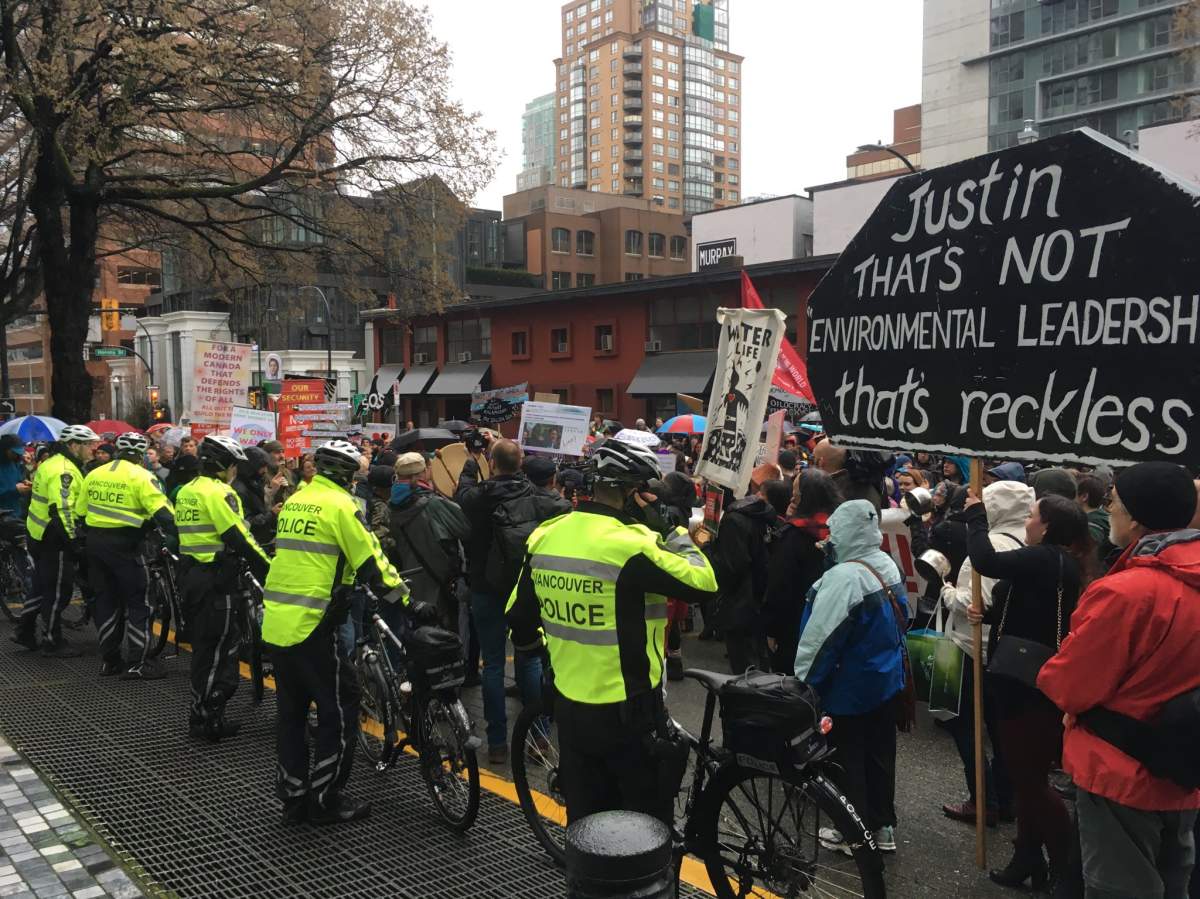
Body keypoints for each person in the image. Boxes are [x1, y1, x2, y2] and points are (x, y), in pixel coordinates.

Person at [505, 439, 717, 826]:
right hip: (630, 713)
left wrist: (549, 651)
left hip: (569, 708)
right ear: (634, 494)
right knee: (644, 830)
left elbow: (519, 617)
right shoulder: (632, 545)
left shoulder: (547, 535)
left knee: (586, 824)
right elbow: (704, 584)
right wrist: (672, 532)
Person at [1038, 462, 1200, 899]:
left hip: (1121, 769)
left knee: (1119, 887)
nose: (1109, 511)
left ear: (1137, 518)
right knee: (1174, 881)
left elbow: (1069, 683)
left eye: (1115, 504)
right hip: (1185, 765)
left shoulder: (1129, 592)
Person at [262, 440, 411, 826]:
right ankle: (325, 799)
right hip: (313, 625)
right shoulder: (342, 505)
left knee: (291, 714)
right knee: (340, 708)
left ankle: (293, 798)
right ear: (348, 476)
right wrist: (408, 601)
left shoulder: (297, 499)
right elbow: (372, 561)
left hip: (278, 621)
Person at [963, 493, 1092, 890]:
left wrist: (976, 517)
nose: (1027, 522)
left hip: (1026, 686)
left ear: (1047, 526)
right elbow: (1033, 611)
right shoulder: (1060, 563)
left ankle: (1066, 869)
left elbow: (986, 561)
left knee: (1030, 782)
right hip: (1027, 680)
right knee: (1026, 778)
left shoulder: (1044, 557)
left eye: (1033, 516)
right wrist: (990, 614)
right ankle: (1028, 856)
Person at [795, 499, 909, 854]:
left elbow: (821, 640)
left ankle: (854, 835)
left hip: (849, 686)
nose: (829, 538)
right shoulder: (885, 563)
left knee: (847, 759)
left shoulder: (843, 578)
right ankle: (883, 828)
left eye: (834, 531)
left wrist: (804, 682)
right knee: (880, 756)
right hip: (885, 679)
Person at [455, 439, 567, 763]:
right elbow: (561, 511)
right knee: (529, 659)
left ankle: (498, 744)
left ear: (492, 463)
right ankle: (539, 736)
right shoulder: (533, 495)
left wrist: (471, 461)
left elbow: (461, 494)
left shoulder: (478, 497)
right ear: (521, 464)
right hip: (524, 587)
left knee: (492, 664)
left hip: (485, 587)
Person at [938, 480, 1032, 828]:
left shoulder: (987, 547)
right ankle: (1005, 797)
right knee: (999, 727)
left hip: (972, 646)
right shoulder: (1028, 544)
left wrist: (947, 592)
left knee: (965, 725)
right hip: (1006, 650)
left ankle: (983, 799)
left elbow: (975, 602)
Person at [175, 436, 272, 740]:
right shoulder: (220, 493)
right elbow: (240, 537)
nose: (234, 471)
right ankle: (208, 718)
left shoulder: (187, 490)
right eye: (233, 465)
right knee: (221, 650)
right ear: (224, 465)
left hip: (191, 577)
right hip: (217, 581)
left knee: (204, 649)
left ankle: (200, 715)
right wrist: (269, 570)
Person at [76, 431, 179, 679]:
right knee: (139, 603)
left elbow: (80, 512)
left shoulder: (95, 474)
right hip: (128, 546)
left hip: (95, 545)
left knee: (106, 602)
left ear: (117, 451)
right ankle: (137, 664)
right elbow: (165, 515)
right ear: (141, 455)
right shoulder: (142, 476)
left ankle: (110, 661)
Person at [12, 425, 100, 656]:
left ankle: (24, 630)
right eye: (88, 444)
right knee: (58, 590)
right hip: (55, 539)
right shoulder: (64, 470)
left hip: (38, 533)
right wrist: (75, 542)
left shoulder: (52, 462)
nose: (93, 448)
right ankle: (52, 641)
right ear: (73, 445)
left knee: (41, 586)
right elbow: (62, 510)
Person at [763, 469, 842, 673]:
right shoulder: (842, 531)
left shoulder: (793, 536)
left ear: (807, 498)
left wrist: (772, 629)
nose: (792, 498)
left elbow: (780, 588)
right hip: (833, 624)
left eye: (797, 493)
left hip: (795, 627)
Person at [703, 477, 784, 674]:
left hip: (739, 602)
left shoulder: (735, 520)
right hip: (759, 599)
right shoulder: (771, 519)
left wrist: (707, 547)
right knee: (758, 659)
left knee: (744, 667)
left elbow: (730, 566)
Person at [387, 452, 470, 626]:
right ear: (422, 474)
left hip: (408, 583)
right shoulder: (433, 504)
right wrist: (458, 495)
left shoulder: (390, 504)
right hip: (438, 585)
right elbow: (466, 527)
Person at [231, 446, 279, 549]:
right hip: (252, 545)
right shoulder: (240, 490)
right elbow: (246, 523)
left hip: (261, 541)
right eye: (262, 467)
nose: (265, 470)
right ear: (251, 466)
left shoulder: (254, 483)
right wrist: (271, 514)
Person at [0, 435, 31, 518]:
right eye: (13, 452)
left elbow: (18, 478)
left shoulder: (14, 462)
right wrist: (14, 490)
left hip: (17, 512)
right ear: (4, 449)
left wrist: (24, 482)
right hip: (3, 517)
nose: (16, 455)